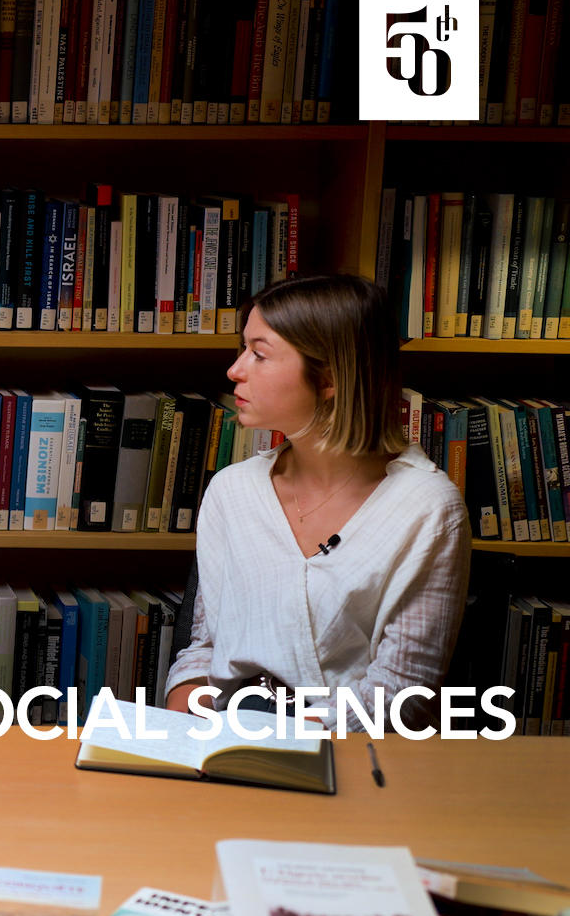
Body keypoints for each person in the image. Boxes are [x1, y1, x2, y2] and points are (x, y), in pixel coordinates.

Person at [162, 275, 469, 727]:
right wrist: (189, 713)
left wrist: (277, 740)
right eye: (242, 348)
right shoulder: (232, 491)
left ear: (328, 377)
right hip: (225, 739)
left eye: (259, 354)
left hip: (343, 759)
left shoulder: (427, 508)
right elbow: (205, 648)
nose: (235, 370)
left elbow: (402, 691)